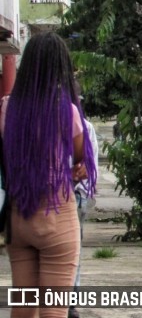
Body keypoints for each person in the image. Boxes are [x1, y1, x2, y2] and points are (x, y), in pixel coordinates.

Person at [0, 31, 97, 318]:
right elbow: (80, 163)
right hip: (57, 217)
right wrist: (75, 170)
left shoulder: (7, 108)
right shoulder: (67, 111)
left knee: (23, 308)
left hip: (18, 220)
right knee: (53, 311)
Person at [68, 82, 100, 318]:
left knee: (72, 252)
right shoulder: (83, 125)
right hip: (73, 195)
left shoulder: (84, 126)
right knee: (72, 253)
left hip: (74, 196)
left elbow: (89, 167)